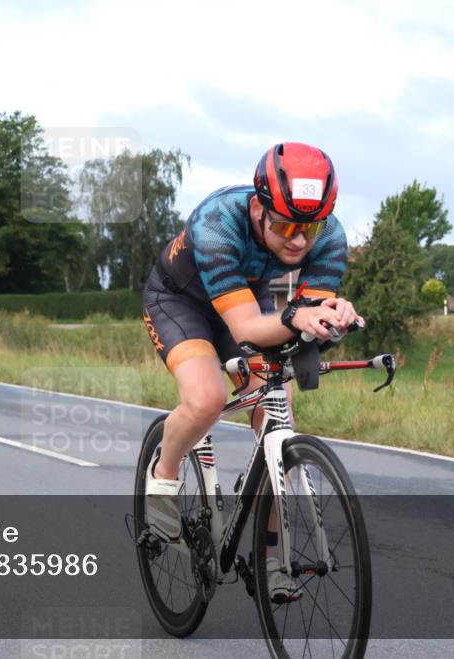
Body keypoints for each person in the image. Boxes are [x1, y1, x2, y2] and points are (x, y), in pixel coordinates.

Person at [141, 142, 363, 599]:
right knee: (207, 399)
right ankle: (162, 477)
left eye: (309, 228)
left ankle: (269, 558)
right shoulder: (218, 222)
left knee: (277, 416)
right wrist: (296, 316)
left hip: (245, 299)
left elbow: (306, 319)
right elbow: (245, 327)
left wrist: (332, 319)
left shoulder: (330, 236)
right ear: (259, 208)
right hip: (180, 302)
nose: (298, 241)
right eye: (284, 226)